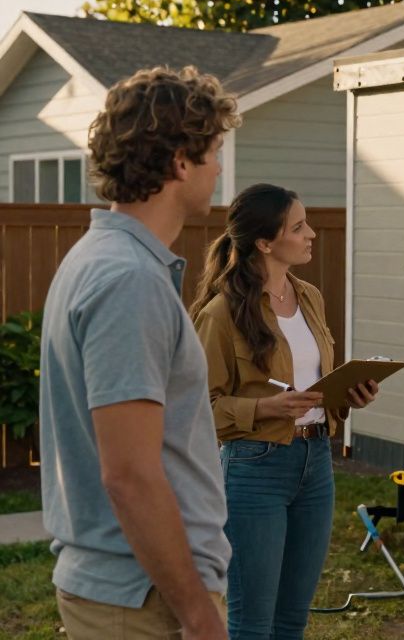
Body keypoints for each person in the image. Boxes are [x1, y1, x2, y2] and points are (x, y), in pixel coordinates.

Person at [38, 66, 237, 639]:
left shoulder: (99, 259)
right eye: (214, 152)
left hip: (127, 589)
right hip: (144, 601)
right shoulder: (128, 280)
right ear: (180, 161)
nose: (219, 168)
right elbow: (129, 474)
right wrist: (200, 616)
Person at [190, 183, 379, 639]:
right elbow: (196, 411)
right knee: (253, 623)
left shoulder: (309, 297)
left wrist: (348, 396)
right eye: (298, 227)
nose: (311, 233)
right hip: (253, 471)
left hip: (316, 466)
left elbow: (316, 386)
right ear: (264, 242)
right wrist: (265, 407)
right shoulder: (221, 313)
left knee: (293, 618)